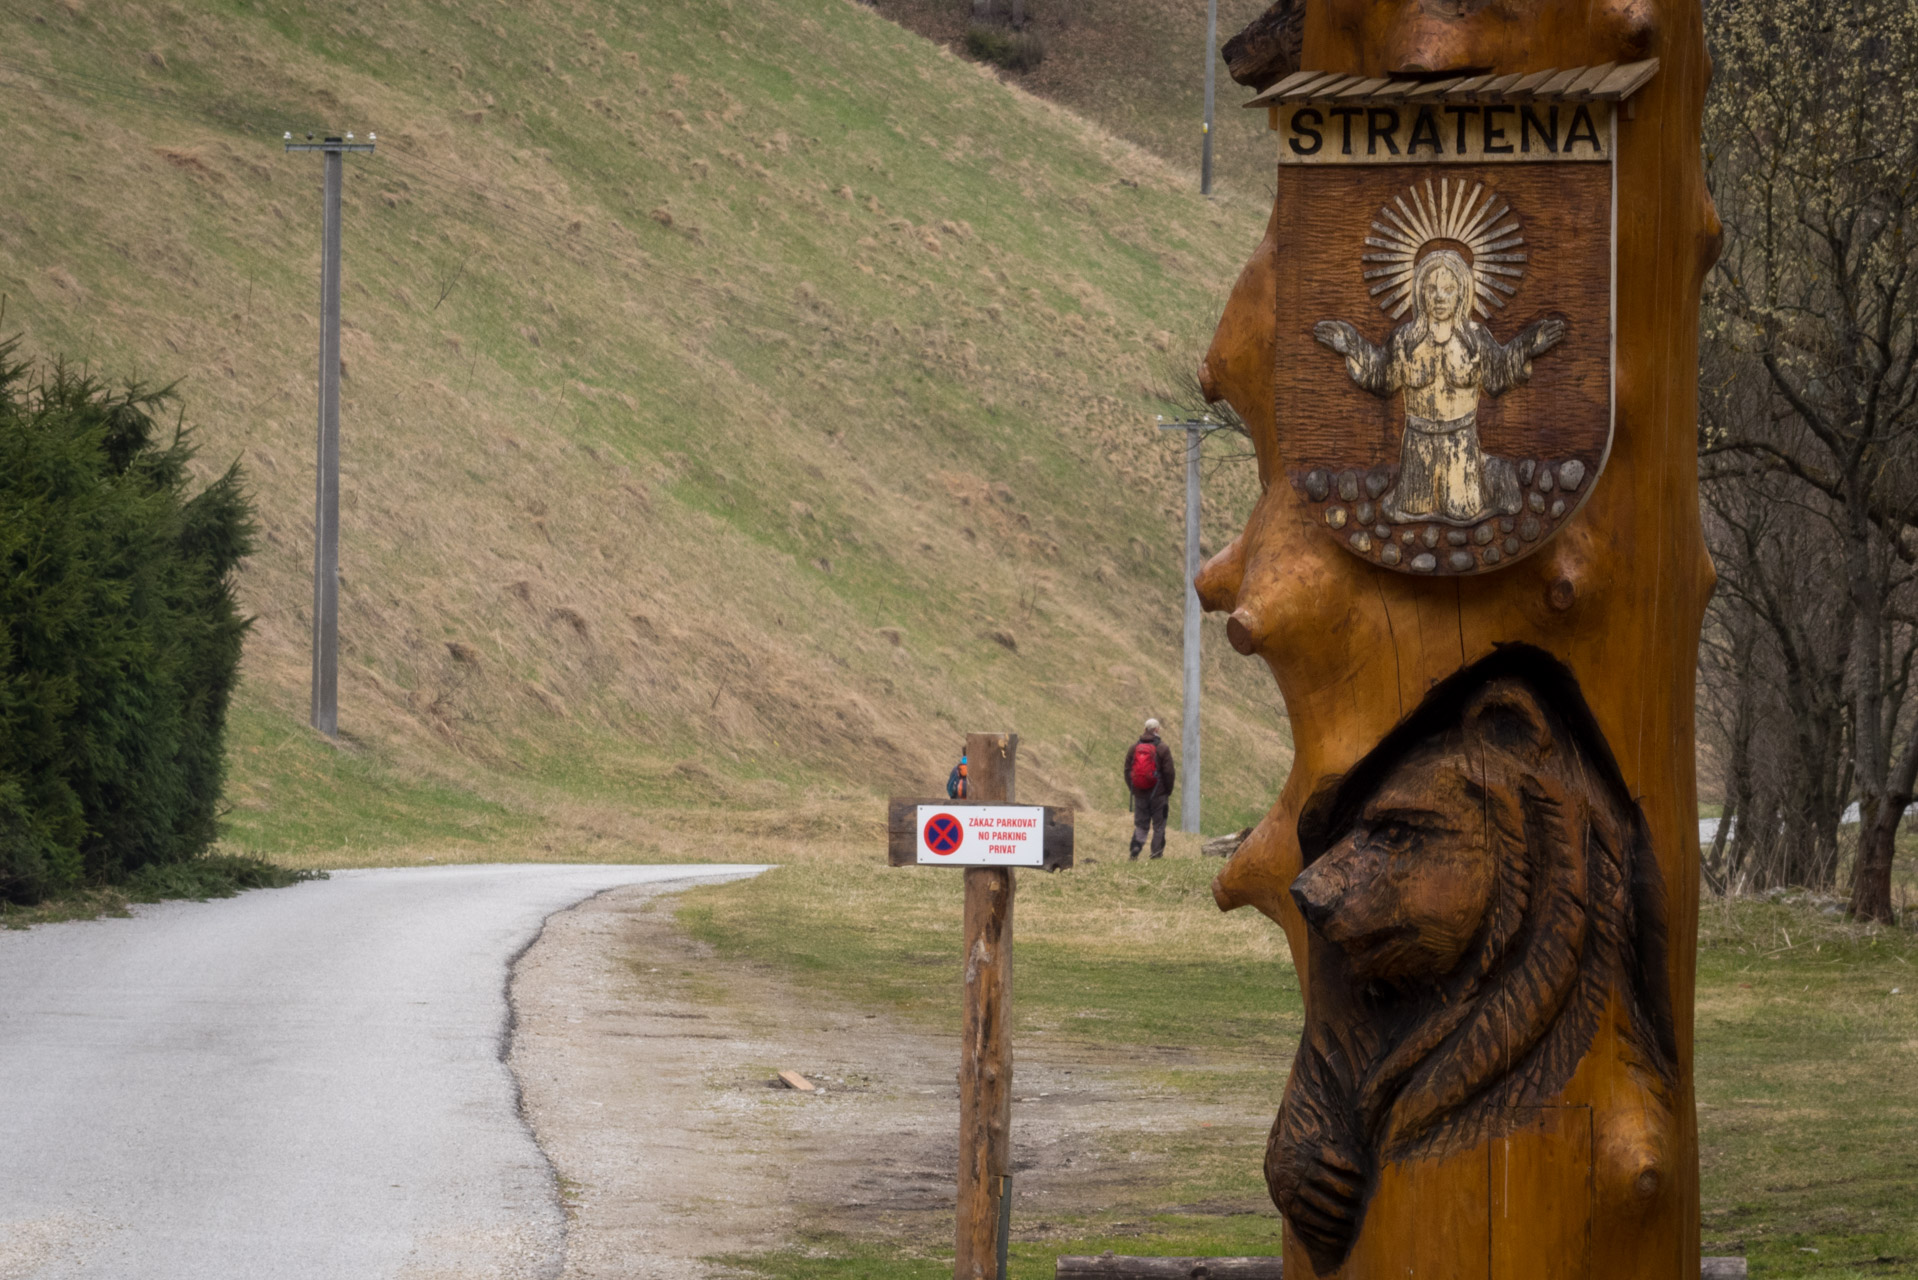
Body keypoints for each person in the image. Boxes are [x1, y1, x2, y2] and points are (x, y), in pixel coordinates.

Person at [1123, 718, 1176, 860]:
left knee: (1141, 825)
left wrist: (1133, 789)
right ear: (1157, 730)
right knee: (1159, 826)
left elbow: (1127, 770)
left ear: (1145, 729)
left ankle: (1135, 848)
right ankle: (1156, 854)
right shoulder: (1163, 748)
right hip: (1159, 795)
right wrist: (1167, 791)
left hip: (1139, 794)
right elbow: (1169, 772)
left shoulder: (1134, 748)